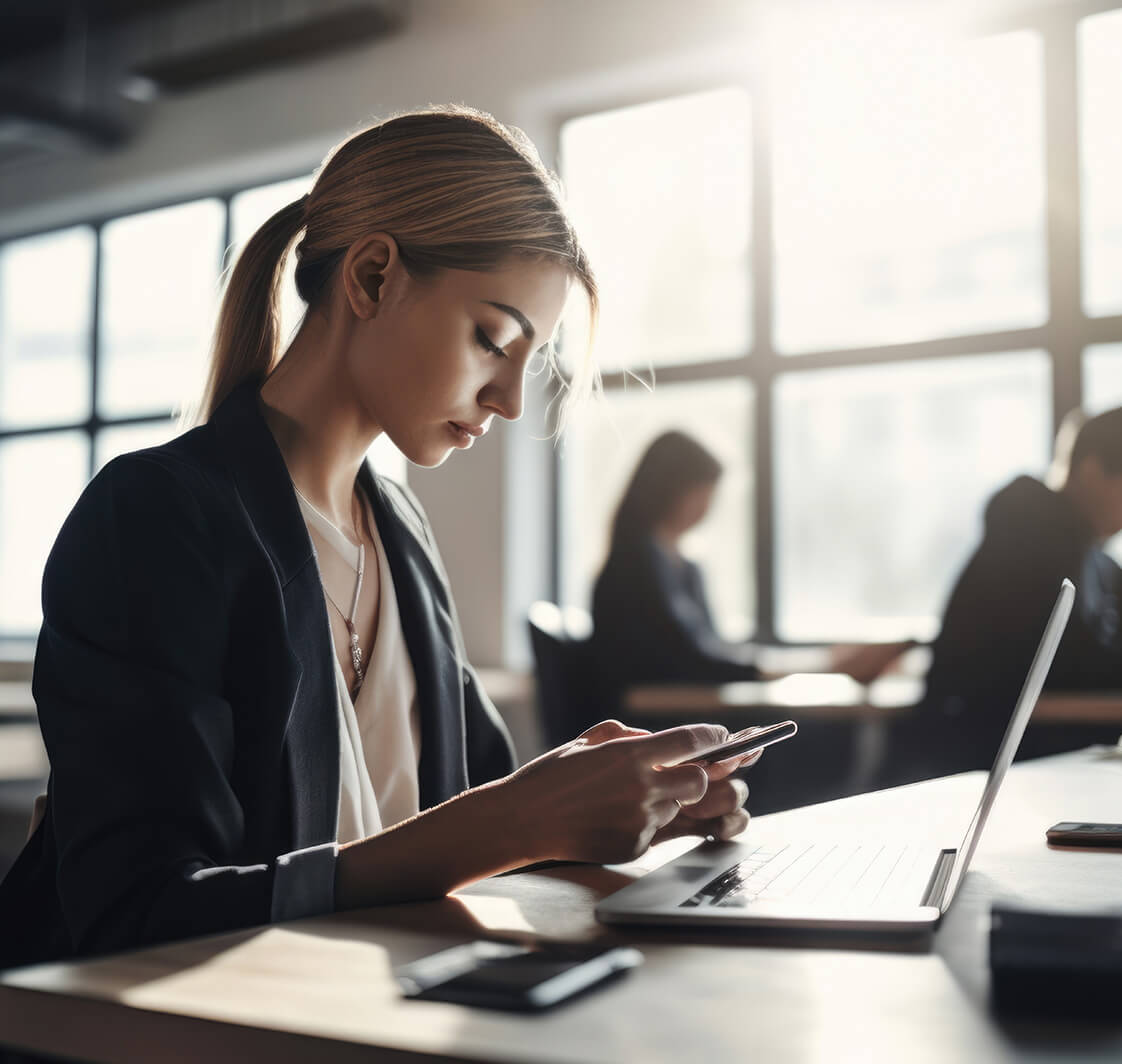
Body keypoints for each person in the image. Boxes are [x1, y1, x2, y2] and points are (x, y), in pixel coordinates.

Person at [0, 107, 757, 971]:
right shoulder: (157, 516)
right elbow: (137, 916)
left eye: (527, 362)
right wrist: (518, 820)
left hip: (385, 1008)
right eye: (492, 340)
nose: (509, 400)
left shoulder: (399, 529)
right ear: (370, 278)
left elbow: (463, 818)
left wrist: (608, 800)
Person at [590, 431, 911, 701]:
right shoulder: (633, 572)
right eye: (701, 494)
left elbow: (712, 651)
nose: (707, 507)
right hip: (659, 723)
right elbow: (692, 662)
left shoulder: (682, 568)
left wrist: (814, 663)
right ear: (670, 490)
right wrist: (817, 666)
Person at [916, 404, 1122, 773]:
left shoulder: (1100, 565)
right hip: (985, 765)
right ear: (1092, 471)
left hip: (1051, 760)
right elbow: (1017, 682)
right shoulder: (1027, 543)